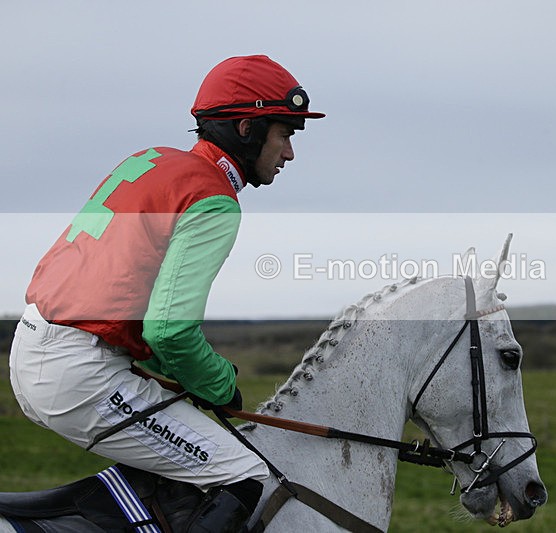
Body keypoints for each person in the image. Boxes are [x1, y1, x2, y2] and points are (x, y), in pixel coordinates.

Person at [8, 54, 324, 531]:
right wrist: (218, 384)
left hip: (36, 346)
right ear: (246, 128)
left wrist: (175, 374)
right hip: (78, 371)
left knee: (184, 461)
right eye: (285, 134)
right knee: (245, 476)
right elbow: (170, 329)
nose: (289, 153)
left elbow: (120, 291)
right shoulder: (213, 197)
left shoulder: (152, 161)